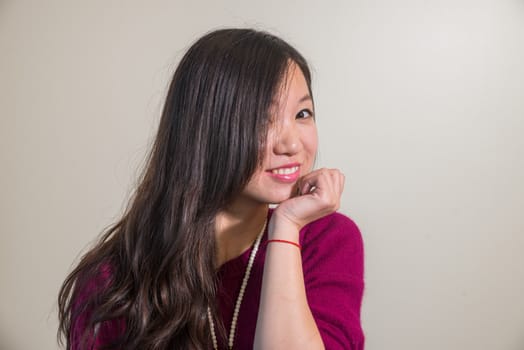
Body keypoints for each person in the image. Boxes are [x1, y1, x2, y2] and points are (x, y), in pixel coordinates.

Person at [58, 28, 365, 350]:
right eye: (261, 119)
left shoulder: (324, 240)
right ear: (205, 129)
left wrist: (286, 228)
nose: (291, 144)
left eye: (302, 114)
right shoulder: (115, 280)